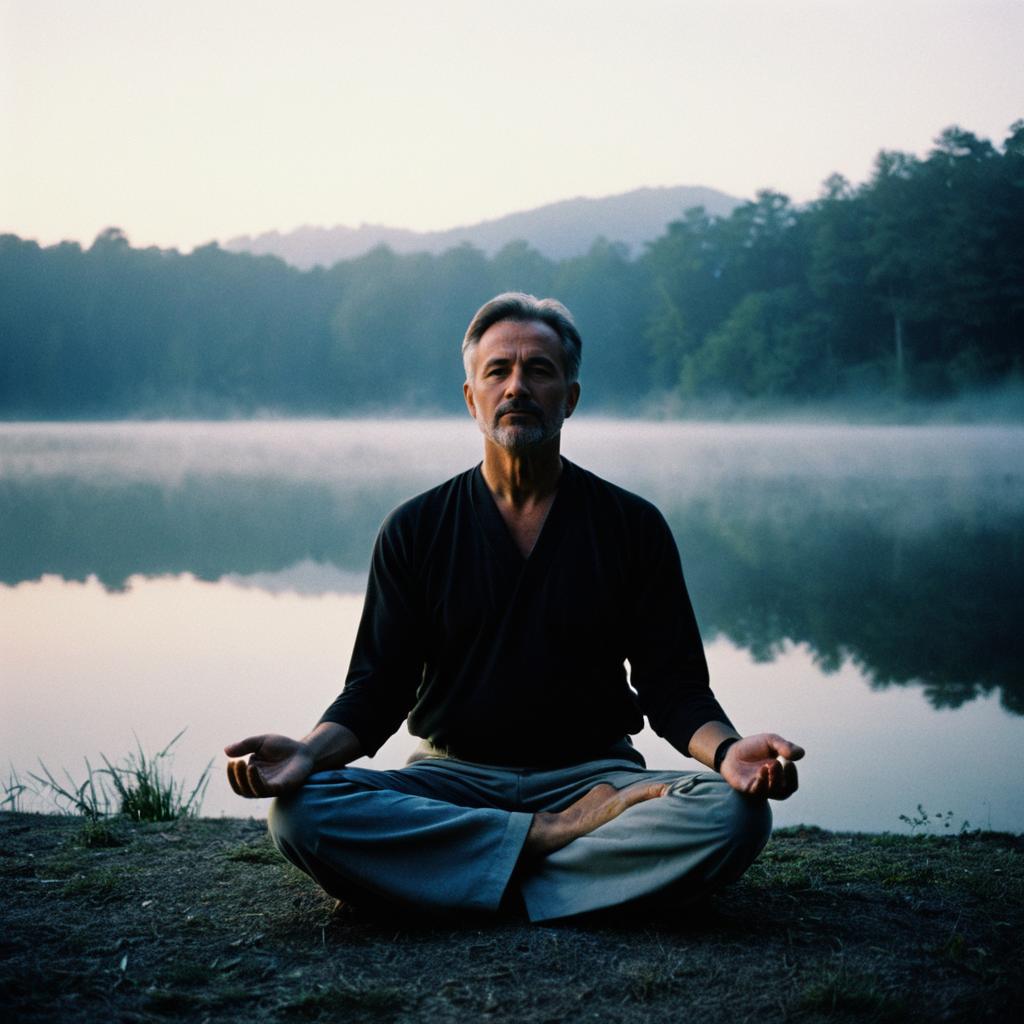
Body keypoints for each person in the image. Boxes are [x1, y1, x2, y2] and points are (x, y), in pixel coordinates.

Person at [225, 292, 803, 922]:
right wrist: (307, 753)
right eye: (497, 371)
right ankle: (554, 847)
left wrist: (728, 752)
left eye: (539, 371)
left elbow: (674, 687)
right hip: (453, 781)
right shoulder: (414, 529)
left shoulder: (632, 526)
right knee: (302, 811)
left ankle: (458, 875)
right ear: (470, 397)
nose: (517, 387)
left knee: (733, 814)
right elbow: (378, 690)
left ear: (570, 398)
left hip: (595, 778)